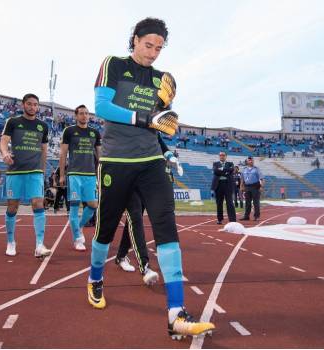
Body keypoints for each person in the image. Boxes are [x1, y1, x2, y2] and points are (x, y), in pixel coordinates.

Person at [87, 17, 214, 338]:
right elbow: (101, 107)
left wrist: (164, 110)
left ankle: (176, 312)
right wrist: (144, 117)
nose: (154, 53)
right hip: (116, 160)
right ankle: (95, 277)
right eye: (148, 45)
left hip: (151, 161)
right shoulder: (113, 64)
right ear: (135, 40)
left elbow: (161, 121)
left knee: (167, 226)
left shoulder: (161, 78)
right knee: (105, 228)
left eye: (159, 48)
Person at [115, 133, 179, 286]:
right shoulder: (126, 126)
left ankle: (121, 255)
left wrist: (172, 157)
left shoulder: (151, 130)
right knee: (135, 218)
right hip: (127, 179)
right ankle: (145, 267)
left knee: (133, 219)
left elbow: (164, 148)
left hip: (146, 182)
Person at [0, 93, 52, 258]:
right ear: (23, 105)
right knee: (12, 207)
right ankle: (10, 241)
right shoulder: (13, 122)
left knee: (38, 203)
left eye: (35, 104)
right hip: (16, 171)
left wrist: (43, 170)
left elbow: (44, 150)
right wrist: (5, 153)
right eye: (29, 104)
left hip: (35, 171)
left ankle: (39, 245)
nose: (32, 107)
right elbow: (3, 141)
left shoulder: (43, 126)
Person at [59, 104, 101, 251]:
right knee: (74, 208)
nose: (84, 116)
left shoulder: (95, 133)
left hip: (90, 174)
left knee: (93, 205)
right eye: (81, 113)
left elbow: (100, 156)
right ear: (76, 116)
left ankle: (80, 227)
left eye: (86, 113)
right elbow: (63, 153)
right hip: (74, 174)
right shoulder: (69, 131)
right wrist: (62, 175)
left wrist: (100, 173)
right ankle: (77, 239)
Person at [211, 151, 236, 224]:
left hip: (228, 185)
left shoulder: (230, 163)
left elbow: (231, 170)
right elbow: (216, 171)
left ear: (226, 156)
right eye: (220, 155)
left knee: (230, 202)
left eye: (223, 155)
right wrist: (226, 172)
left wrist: (221, 170)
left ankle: (232, 220)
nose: (222, 156)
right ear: (219, 156)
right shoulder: (215, 164)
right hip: (218, 185)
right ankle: (220, 219)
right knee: (219, 203)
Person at [240, 156, 264, 221]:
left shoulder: (256, 169)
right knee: (247, 202)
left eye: (252, 160)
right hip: (247, 187)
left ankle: (256, 216)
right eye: (249, 160)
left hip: (255, 187)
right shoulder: (244, 169)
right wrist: (241, 186)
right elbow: (242, 179)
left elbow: (261, 179)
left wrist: (261, 186)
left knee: (256, 202)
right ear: (247, 161)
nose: (251, 161)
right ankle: (246, 216)